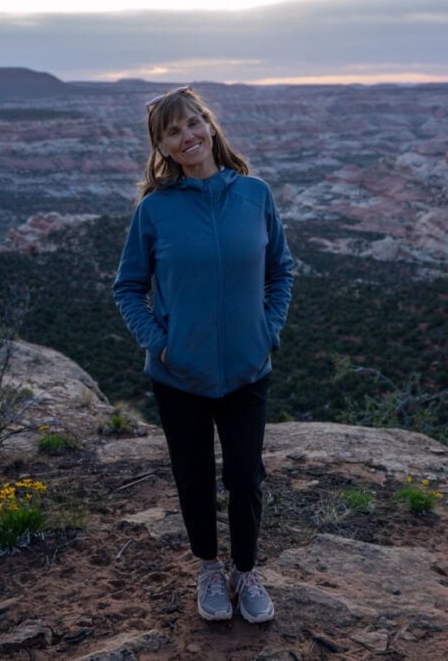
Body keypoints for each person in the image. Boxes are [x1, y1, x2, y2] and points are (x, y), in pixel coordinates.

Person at [113, 86, 294, 624]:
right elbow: (128, 287)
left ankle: (246, 569)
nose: (187, 136)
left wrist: (267, 330)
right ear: (163, 148)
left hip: (246, 368)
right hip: (178, 374)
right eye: (173, 131)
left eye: (193, 124)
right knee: (193, 477)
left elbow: (280, 270)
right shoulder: (155, 210)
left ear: (210, 127)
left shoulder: (255, 194)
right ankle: (209, 568)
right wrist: (159, 341)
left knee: (245, 475)